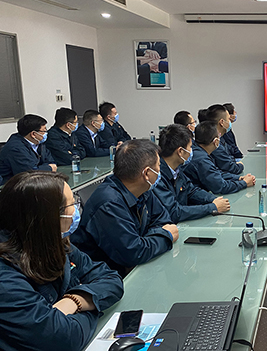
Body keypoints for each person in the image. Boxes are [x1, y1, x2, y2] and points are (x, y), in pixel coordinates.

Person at [0, 171, 123, 351]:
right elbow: (64, 339)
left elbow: (111, 278)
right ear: (46, 219)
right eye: (71, 204)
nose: (75, 211)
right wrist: (94, 306)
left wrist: (75, 301)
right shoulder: (5, 280)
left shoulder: (55, 243)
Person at [70, 139, 179, 276]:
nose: (160, 171)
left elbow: (163, 219)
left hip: (135, 268)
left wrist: (144, 242)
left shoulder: (143, 190)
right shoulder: (109, 203)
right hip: (107, 277)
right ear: (146, 173)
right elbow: (133, 253)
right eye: (158, 167)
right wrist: (166, 235)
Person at [154, 124, 230, 223]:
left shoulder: (177, 168)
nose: (192, 151)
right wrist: (212, 207)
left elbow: (191, 191)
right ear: (180, 151)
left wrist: (213, 199)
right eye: (190, 147)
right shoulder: (156, 176)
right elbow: (174, 212)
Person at [183, 121, 256, 195]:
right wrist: (244, 183)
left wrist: (238, 178)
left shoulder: (199, 151)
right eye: (219, 136)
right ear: (215, 141)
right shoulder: (202, 159)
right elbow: (221, 187)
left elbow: (216, 172)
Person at [0, 114, 57, 184]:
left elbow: (51, 161)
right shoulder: (15, 148)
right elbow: (29, 173)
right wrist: (49, 168)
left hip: (37, 182)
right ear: (33, 134)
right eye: (43, 131)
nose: (46, 134)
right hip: (12, 186)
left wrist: (41, 168)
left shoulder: (38, 142)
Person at [200, 104, 244, 175]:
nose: (230, 122)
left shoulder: (220, 138)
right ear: (222, 122)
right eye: (228, 119)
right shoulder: (214, 142)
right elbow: (229, 167)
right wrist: (240, 166)